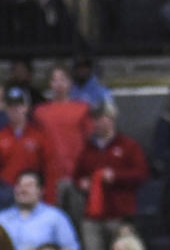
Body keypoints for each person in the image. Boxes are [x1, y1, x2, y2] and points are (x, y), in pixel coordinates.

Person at [70, 101, 149, 250]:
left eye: (101, 118)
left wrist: (116, 176)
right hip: (92, 216)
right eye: (94, 119)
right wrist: (82, 183)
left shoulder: (128, 146)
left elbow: (141, 174)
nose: (97, 122)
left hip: (119, 214)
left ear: (111, 119)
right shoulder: (88, 149)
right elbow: (76, 176)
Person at [33, 65, 91, 204]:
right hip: (51, 174)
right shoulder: (40, 112)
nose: (59, 84)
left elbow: (90, 142)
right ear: (50, 84)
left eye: (63, 79)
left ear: (70, 83)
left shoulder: (82, 109)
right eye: (55, 80)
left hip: (77, 172)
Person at [0, 170, 80, 250]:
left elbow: (71, 247)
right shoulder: (2, 218)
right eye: (19, 185)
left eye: (29, 186)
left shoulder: (55, 217)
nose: (23, 190)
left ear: (41, 190)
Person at [0, 88, 51, 208]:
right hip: (5, 194)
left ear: (26, 107)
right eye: (11, 106)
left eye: (19, 105)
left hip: (32, 194)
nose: (15, 109)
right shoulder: (1, 136)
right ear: (6, 109)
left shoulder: (39, 136)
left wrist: (48, 198)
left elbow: (49, 169)